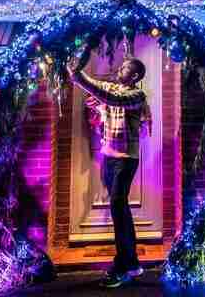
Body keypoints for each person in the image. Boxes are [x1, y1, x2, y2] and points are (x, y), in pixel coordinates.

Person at [67, 54, 152, 288]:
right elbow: (93, 92)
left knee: (117, 206)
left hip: (126, 159)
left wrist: (85, 82)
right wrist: (76, 71)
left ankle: (121, 266)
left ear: (134, 75)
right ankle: (132, 263)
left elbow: (111, 98)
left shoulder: (136, 95)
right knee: (121, 210)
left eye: (125, 68)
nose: (119, 69)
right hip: (108, 158)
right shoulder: (112, 87)